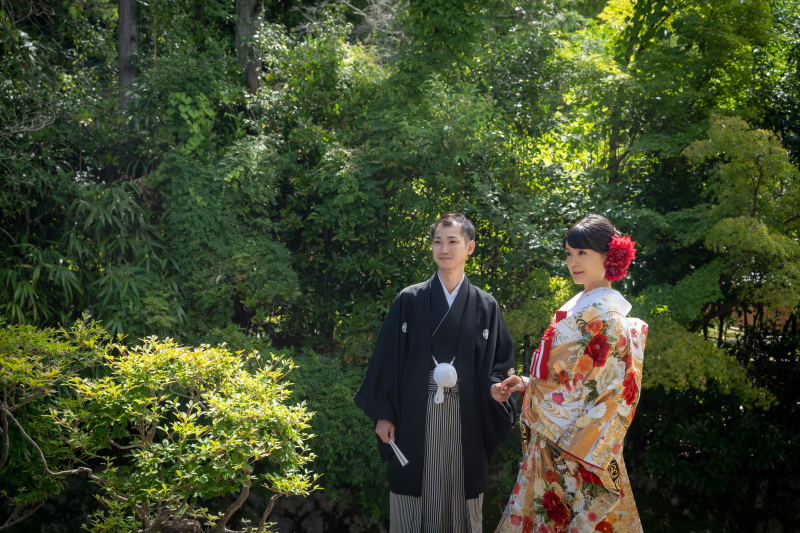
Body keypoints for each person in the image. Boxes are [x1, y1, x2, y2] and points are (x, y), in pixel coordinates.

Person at [354, 213, 520, 533]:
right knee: (413, 495)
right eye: (437, 242)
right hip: (414, 415)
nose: (443, 249)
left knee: (460, 494)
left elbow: (498, 366)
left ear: (469, 247)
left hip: (466, 416)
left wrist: (495, 389)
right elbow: (388, 359)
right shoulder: (409, 299)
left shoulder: (486, 305)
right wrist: (384, 414)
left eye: (452, 241)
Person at [495, 215, 647, 533]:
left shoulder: (610, 317)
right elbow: (567, 379)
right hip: (553, 436)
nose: (573, 262)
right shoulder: (579, 306)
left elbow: (613, 392)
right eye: (568, 253)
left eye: (582, 253)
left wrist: (572, 441)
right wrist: (528, 384)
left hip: (577, 447)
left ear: (609, 256)